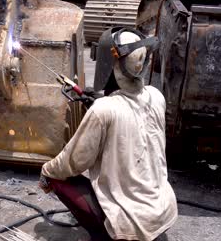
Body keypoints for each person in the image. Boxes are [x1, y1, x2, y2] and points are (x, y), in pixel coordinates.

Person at [38, 27, 178, 241]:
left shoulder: (103, 110)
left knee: (56, 175)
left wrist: (47, 170)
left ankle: (103, 235)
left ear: (110, 63)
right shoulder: (156, 96)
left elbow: (73, 162)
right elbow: (130, 113)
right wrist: (101, 101)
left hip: (131, 223)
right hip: (161, 212)